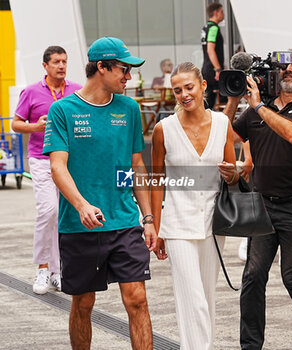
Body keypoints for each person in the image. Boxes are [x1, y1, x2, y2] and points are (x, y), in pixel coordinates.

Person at [42, 36, 157, 350]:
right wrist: (81, 205)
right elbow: (57, 167)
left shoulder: (130, 109)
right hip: (80, 225)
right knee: (83, 303)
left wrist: (147, 218)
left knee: (137, 300)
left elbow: (137, 166)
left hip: (124, 222)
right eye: (123, 69)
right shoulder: (62, 110)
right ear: (102, 67)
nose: (128, 77)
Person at [223, 49, 292, 350]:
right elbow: (224, 134)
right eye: (285, 66)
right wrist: (233, 98)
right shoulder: (257, 109)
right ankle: (250, 346)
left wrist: (258, 107)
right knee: (253, 276)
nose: (288, 70)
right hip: (263, 206)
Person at [151, 61, 238, 350]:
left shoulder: (223, 124)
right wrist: (156, 226)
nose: (184, 94)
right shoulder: (164, 129)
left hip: (214, 224)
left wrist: (233, 172)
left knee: (207, 298)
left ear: (203, 86)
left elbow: (231, 174)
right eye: (177, 90)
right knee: (192, 299)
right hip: (177, 225)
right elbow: (157, 180)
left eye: (189, 87)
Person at [11, 46, 82, 295]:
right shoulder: (30, 92)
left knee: (62, 216)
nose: (61, 65)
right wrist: (36, 127)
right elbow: (15, 124)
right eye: (56, 62)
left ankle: (57, 271)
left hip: (69, 162)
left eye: (64, 61)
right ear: (45, 66)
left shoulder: (76, 91)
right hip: (41, 160)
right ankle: (43, 268)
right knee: (48, 211)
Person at [201, 2, 225, 110]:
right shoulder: (213, 28)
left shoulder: (206, 27)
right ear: (215, 13)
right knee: (220, 98)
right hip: (212, 70)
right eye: (221, 11)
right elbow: (210, 50)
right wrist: (218, 69)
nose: (223, 14)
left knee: (208, 101)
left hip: (207, 68)